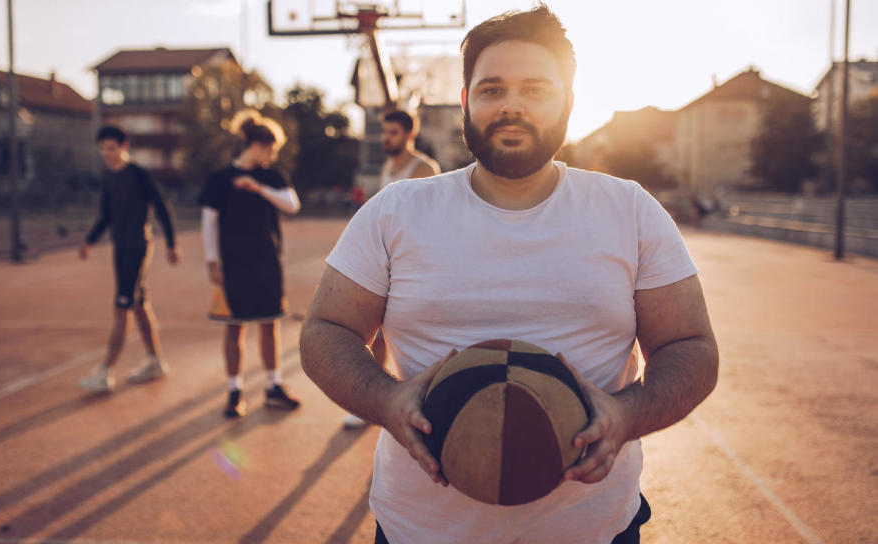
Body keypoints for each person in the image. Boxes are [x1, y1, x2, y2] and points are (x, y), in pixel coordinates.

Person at [300, 6, 718, 544]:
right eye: (492, 89)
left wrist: (626, 415)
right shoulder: (397, 211)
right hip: (421, 530)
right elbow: (325, 330)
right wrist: (386, 400)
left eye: (536, 90)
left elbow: (691, 346)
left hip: (592, 529)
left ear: (569, 101)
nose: (512, 106)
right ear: (467, 101)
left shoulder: (629, 210)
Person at [198, 110, 302, 418]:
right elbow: (209, 222)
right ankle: (234, 391)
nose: (272, 155)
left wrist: (258, 188)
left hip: (267, 261)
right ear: (256, 144)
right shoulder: (221, 179)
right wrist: (211, 261)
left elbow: (292, 205)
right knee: (235, 328)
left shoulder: (271, 177)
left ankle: (273, 387)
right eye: (270, 149)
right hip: (234, 264)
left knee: (270, 323)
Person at [342, 110, 441, 429]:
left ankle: (428, 401)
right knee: (375, 331)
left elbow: (430, 221)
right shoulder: (387, 166)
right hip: (385, 259)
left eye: (394, 133)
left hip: (416, 263)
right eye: (385, 132)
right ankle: (374, 402)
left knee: (413, 334)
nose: (387, 138)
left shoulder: (424, 168)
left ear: (410, 134)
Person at [78, 125, 180, 393]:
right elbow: (106, 215)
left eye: (111, 148)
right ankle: (156, 361)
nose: (106, 153)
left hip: (138, 247)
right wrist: (89, 240)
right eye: (103, 149)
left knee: (122, 307)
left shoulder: (138, 174)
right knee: (138, 304)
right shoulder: (109, 176)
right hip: (120, 247)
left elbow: (161, 207)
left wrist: (172, 243)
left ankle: (105, 371)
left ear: (124, 146)